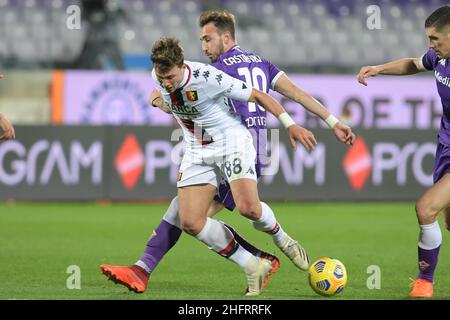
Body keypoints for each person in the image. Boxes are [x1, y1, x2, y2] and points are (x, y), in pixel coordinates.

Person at [101, 11, 356, 295]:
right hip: (214, 146)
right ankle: (149, 268)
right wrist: (332, 122)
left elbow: (258, 97)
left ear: (225, 36)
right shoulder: (258, 62)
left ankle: (275, 246)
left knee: (225, 212)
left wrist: (291, 124)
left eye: (207, 39)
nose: (204, 46)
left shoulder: (214, 72)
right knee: (190, 218)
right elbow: (295, 92)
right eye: (201, 41)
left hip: (236, 143)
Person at [357, 5, 450, 298]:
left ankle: (425, 283)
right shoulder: (439, 57)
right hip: (446, 145)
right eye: (429, 38)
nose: (430, 45)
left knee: (426, 208)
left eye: (436, 39)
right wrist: (380, 69)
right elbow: (414, 63)